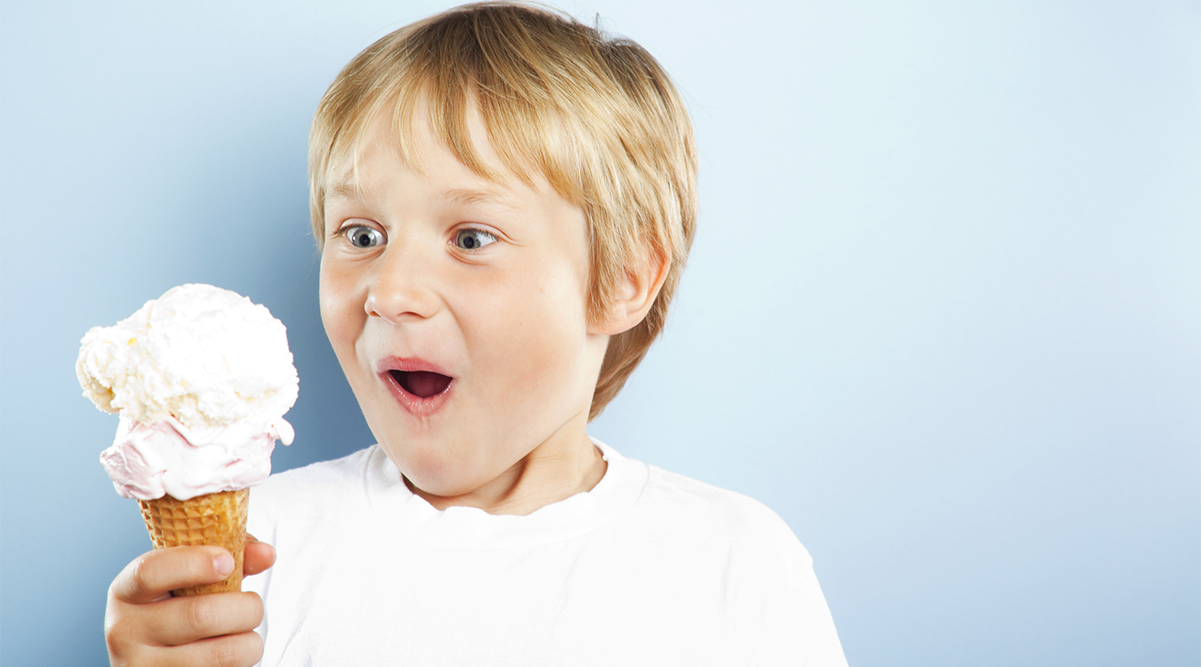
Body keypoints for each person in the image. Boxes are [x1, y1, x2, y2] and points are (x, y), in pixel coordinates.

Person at [103, 3, 848, 665]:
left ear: (621, 277)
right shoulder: (257, 550)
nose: (390, 291)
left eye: (470, 238)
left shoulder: (736, 565)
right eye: (360, 233)